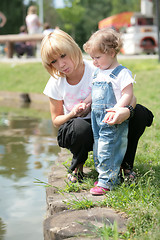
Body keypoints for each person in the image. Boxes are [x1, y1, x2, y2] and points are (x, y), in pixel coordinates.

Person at [40, 29, 153, 187]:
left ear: (73, 48)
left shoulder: (98, 66)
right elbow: (56, 120)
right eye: (53, 61)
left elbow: (131, 97)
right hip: (80, 128)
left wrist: (124, 111)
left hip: (107, 121)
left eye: (63, 55)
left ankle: (124, 164)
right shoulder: (56, 82)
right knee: (79, 128)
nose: (61, 64)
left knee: (139, 113)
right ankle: (77, 165)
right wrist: (73, 113)